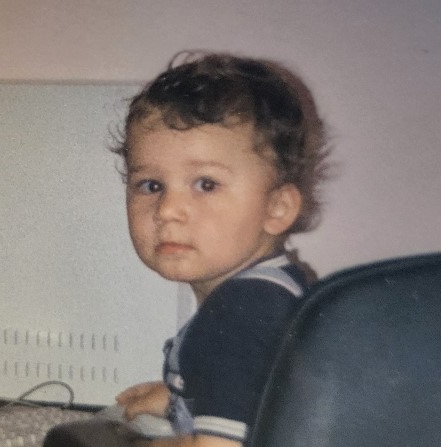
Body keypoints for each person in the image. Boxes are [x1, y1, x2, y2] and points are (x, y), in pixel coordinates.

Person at [112, 51, 330, 447]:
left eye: (206, 184)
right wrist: (181, 401)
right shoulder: (266, 294)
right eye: (151, 185)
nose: (168, 209)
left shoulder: (240, 314)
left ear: (277, 208)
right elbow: (253, 397)